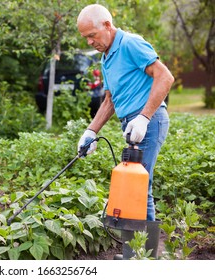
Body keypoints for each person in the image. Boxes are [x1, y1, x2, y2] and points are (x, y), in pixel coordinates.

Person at [76, 4, 174, 258]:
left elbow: (165, 77)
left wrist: (143, 117)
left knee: (141, 186)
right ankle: (138, 253)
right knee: (135, 186)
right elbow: (109, 102)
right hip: (131, 124)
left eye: (92, 35)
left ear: (107, 25)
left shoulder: (130, 43)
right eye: (85, 37)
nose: (90, 41)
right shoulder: (107, 56)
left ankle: (143, 257)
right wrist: (90, 132)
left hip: (148, 122)